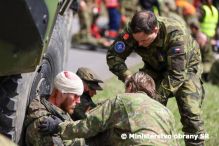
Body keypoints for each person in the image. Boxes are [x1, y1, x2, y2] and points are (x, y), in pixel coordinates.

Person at [106, 10, 205, 146]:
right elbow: (113, 56)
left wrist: (155, 98)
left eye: (144, 40)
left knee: (190, 113)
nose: (139, 44)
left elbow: (176, 75)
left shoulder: (175, 34)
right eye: (137, 40)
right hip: (154, 66)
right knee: (138, 105)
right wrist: (128, 77)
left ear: (156, 30)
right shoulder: (133, 30)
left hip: (185, 69)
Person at [39, 72, 179, 146]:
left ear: (130, 87)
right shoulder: (166, 112)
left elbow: (89, 125)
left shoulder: (123, 99)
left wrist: (58, 127)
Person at [25, 71, 85, 146]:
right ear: (62, 93)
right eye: (76, 96)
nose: (78, 101)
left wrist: (61, 125)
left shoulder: (58, 112)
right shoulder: (45, 124)